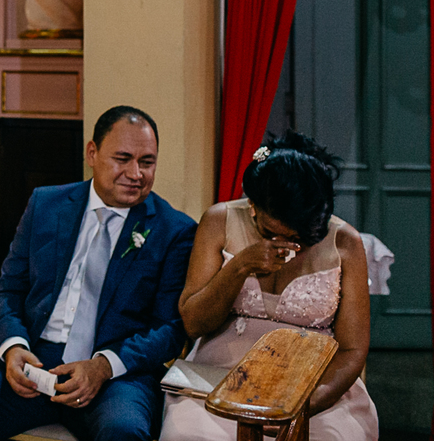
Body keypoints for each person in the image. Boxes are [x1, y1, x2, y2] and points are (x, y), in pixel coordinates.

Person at [0, 106, 198, 441]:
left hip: (116, 372)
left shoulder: (175, 230)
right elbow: (9, 289)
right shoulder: (46, 204)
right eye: (123, 158)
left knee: (124, 432)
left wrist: (103, 366)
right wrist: (14, 347)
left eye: (147, 162)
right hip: (34, 358)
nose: (136, 173)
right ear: (92, 152)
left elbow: (170, 329)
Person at [161, 132, 378, 441]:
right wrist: (240, 266)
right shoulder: (218, 221)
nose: (292, 246)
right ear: (253, 205)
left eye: (304, 236)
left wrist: (303, 406)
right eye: (273, 232)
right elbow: (194, 323)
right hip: (221, 377)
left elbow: (353, 348)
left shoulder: (346, 243)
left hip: (314, 386)